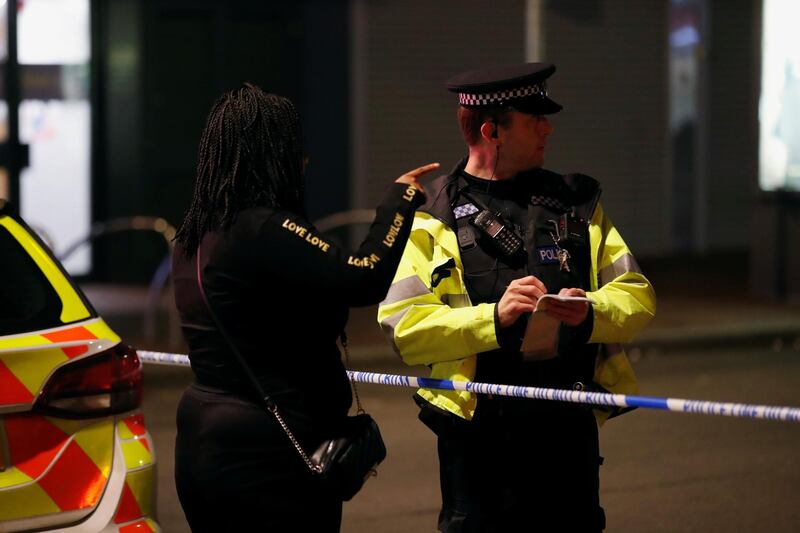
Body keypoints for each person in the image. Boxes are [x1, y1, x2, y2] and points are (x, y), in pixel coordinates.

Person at [377, 63, 656, 531]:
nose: (548, 127)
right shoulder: (434, 217)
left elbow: (637, 296)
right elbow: (405, 329)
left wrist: (587, 313)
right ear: (492, 131)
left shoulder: (577, 203)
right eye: (533, 120)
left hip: (566, 436)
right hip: (479, 443)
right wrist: (494, 318)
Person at [171, 82, 438, 532]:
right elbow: (363, 272)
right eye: (293, 149)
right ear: (270, 156)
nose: (305, 160)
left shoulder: (193, 236)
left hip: (203, 442)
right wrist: (398, 202)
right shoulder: (262, 228)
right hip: (268, 454)